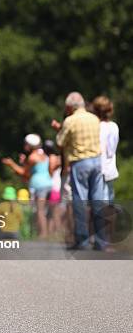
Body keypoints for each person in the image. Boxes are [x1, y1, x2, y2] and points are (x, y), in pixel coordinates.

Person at [52, 92, 105, 250]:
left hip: (80, 162)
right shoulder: (94, 119)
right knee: (97, 201)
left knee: (80, 202)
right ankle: (101, 241)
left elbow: (60, 142)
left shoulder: (70, 120)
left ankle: (82, 241)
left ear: (69, 107)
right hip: (97, 161)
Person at [2, 134, 52, 238]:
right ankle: (48, 233)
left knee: (40, 210)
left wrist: (11, 164)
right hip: (48, 184)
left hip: (39, 186)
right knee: (46, 211)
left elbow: (24, 172)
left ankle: (43, 235)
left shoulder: (32, 157)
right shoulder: (42, 155)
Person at [91, 96, 119, 202]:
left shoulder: (97, 126)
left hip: (99, 168)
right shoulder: (114, 126)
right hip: (111, 167)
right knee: (109, 200)